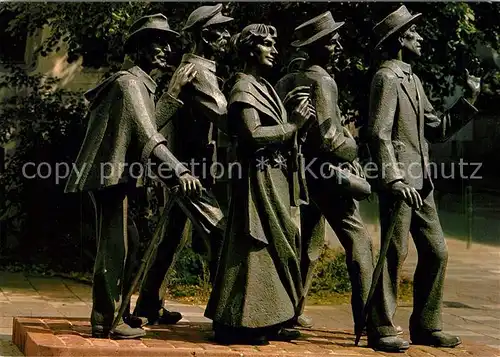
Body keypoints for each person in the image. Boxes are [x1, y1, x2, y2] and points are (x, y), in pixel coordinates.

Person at [64, 13, 200, 339]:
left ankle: (119, 311)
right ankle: (106, 320)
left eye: (169, 45)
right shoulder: (128, 83)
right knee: (115, 247)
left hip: (118, 175)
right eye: (158, 43)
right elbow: (150, 138)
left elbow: (147, 126)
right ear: (138, 48)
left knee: (132, 244)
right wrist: (178, 169)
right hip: (109, 176)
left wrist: (174, 91)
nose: (167, 51)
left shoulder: (140, 85)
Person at [366, 5, 481, 352]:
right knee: (394, 253)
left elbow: (437, 129)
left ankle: (427, 325)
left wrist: (469, 99)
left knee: (437, 252)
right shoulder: (386, 77)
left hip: (422, 183)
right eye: (415, 33)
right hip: (401, 184)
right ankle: (382, 327)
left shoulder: (412, 80)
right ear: (401, 39)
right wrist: (394, 179)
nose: (421, 39)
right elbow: (378, 133)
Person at [204, 23, 314, 345]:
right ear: (251, 49)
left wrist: (296, 123)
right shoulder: (242, 87)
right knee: (255, 246)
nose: (274, 50)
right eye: (267, 44)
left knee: (279, 245)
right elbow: (252, 136)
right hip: (257, 181)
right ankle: (238, 322)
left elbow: (280, 131)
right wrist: (292, 125)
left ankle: (269, 318)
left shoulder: (263, 85)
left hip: (274, 178)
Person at [275, 11, 376, 333]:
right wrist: (356, 146)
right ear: (316, 47)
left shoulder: (289, 79)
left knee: (307, 246)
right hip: (327, 174)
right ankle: (370, 320)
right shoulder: (322, 80)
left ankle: (291, 311)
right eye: (331, 41)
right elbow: (332, 138)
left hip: (300, 174)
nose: (338, 45)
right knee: (359, 242)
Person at [133, 4, 233, 325]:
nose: (228, 35)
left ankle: (148, 303)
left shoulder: (203, 70)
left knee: (170, 237)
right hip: (188, 172)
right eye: (222, 30)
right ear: (205, 35)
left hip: (186, 169)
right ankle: (228, 313)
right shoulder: (198, 73)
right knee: (220, 233)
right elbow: (226, 116)